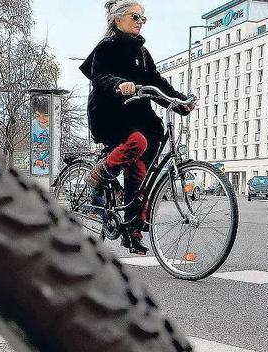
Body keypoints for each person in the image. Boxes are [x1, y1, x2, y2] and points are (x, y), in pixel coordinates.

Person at [79, 0, 194, 255]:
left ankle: (132, 229)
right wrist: (120, 83)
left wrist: (179, 102)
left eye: (144, 18)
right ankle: (98, 175)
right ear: (118, 19)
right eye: (135, 17)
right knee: (139, 143)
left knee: (141, 170)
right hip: (110, 114)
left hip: (136, 116)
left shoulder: (142, 53)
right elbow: (101, 76)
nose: (141, 22)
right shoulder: (106, 48)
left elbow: (155, 82)